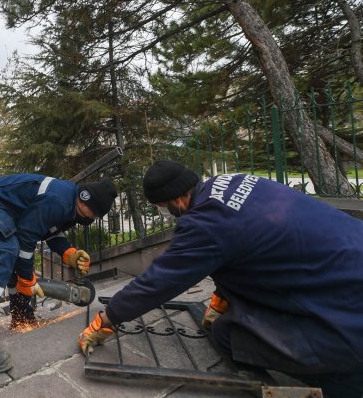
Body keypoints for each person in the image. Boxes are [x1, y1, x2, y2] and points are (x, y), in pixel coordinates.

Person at [78, 160, 363, 398]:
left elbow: (161, 279)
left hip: (345, 311)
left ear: (177, 200)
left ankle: (342, 381)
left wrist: (108, 318)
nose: (165, 213)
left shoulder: (206, 223)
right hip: (345, 260)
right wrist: (223, 296)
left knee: (227, 333)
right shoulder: (228, 183)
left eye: (162, 206)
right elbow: (247, 245)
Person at [0, 173, 118, 373]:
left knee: (13, 259)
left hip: (4, 209)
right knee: (7, 250)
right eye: (94, 215)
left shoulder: (69, 202)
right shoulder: (59, 200)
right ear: (87, 202)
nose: (92, 219)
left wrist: (69, 253)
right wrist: (27, 278)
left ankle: (21, 316)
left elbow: (49, 229)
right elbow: (27, 238)